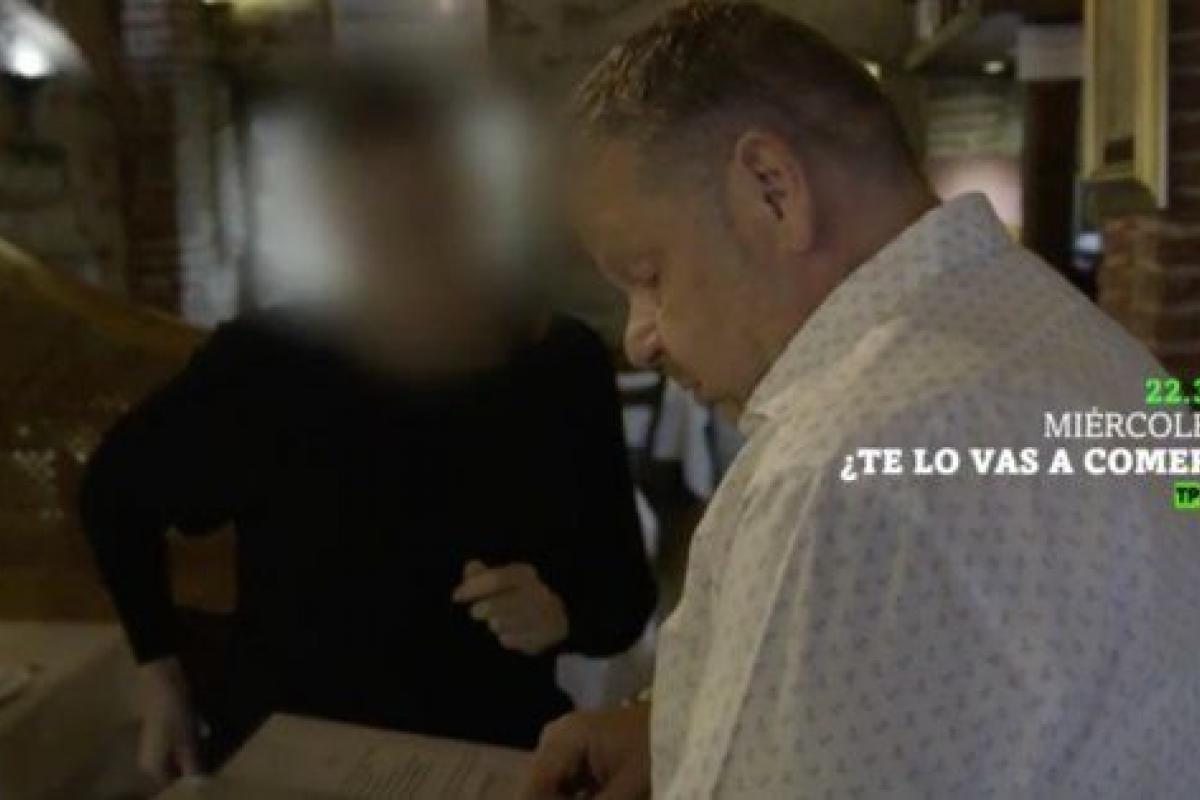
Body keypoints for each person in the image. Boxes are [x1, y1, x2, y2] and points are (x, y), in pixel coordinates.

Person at [524, 2, 1200, 798]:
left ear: (771, 190)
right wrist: (677, 728)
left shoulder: (836, 476)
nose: (640, 338)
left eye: (649, 276)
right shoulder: (1092, 347)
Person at [79, 62, 656, 789]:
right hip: (287, 748)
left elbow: (623, 601)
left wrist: (560, 611)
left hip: (486, 748)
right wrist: (158, 669)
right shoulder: (268, 363)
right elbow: (114, 493)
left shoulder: (556, 365)